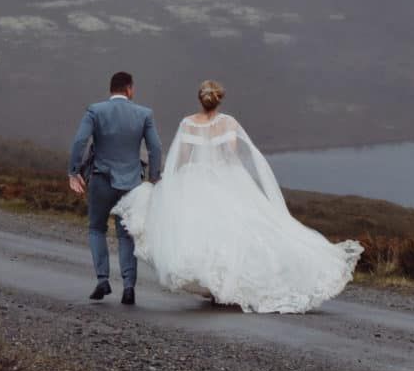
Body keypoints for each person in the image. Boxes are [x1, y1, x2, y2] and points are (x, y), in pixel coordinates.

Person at [112, 80, 361, 314]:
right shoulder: (229, 123)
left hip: (195, 181)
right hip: (222, 179)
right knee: (236, 231)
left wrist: (171, 182)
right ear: (218, 100)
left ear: (200, 99)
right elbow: (230, 155)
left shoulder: (187, 123)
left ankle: (214, 285)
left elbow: (183, 155)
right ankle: (224, 285)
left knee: (202, 232)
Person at [66, 69, 161, 305]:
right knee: (126, 235)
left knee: (96, 229)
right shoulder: (144, 114)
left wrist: (73, 171)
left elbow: (80, 141)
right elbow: (155, 148)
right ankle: (129, 287)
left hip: (101, 179)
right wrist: (154, 178)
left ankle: (102, 279)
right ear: (129, 89)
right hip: (131, 184)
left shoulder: (95, 111)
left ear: (111, 89)